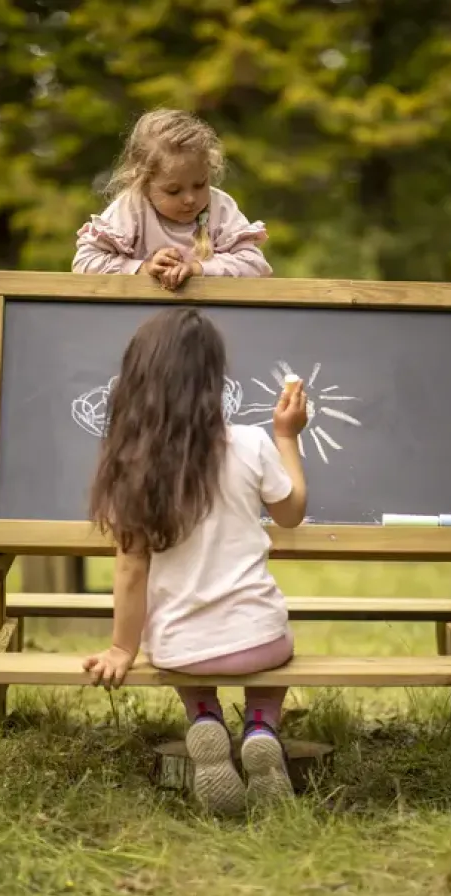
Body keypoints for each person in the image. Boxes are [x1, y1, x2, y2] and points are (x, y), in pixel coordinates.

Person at [83, 307, 307, 816]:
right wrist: (288, 437)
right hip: (259, 640)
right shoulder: (250, 442)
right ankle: (260, 724)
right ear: (213, 380)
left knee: (187, 647)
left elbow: (130, 571)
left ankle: (204, 716)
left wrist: (122, 648)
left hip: (182, 649)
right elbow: (291, 512)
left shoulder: (129, 465)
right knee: (280, 642)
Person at [72, 108, 272, 286]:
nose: (190, 199)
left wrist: (198, 269)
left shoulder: (221, 208)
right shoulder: (131, 208)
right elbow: (84, 263)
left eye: (200, 184)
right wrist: (144, 268)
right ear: (143, 182)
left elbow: (256, 267)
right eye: (174, 191)